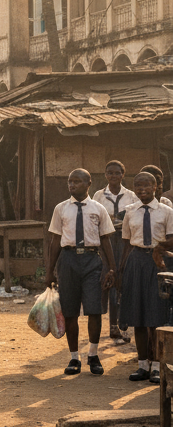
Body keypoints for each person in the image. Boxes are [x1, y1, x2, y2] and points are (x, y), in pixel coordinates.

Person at [45, 169, 117, 375]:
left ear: (89, 184)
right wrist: (50, 270)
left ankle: (93, 355)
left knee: (94, 309)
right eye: (70, 181)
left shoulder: (98, 208)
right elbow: (55, 240)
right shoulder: (60, 209)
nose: (72, 185)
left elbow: (105, 239)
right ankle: (74, 357)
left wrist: (111, 268)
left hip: (92, 260)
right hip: (68, 260)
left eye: (77, 181)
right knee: (70, 311)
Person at [119, 171, 173, 385]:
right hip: (136, 262)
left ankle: (159, 367)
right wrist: (121, 271)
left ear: (155, 188)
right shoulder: (130, 212)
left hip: (158, 263)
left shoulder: (167, 212)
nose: (141, 189)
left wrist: (158, 249)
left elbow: (171, 240)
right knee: (138, 316)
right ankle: (143, 365)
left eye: (146, 186)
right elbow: (126, 242)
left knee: (157, 316)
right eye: (137, 186)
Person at [92, 160, 135, 343]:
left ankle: (122, 322)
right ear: (105, 175)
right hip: (106, 241)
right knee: (108, 278)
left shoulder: (131, 196)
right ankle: (111, 325)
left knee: (123, 278)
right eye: (110, 173)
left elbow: (134, 217)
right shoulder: (99, 195)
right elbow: (94, 217)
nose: (113, 176)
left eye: (117, 173)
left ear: (123, 174)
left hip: (125, 241)